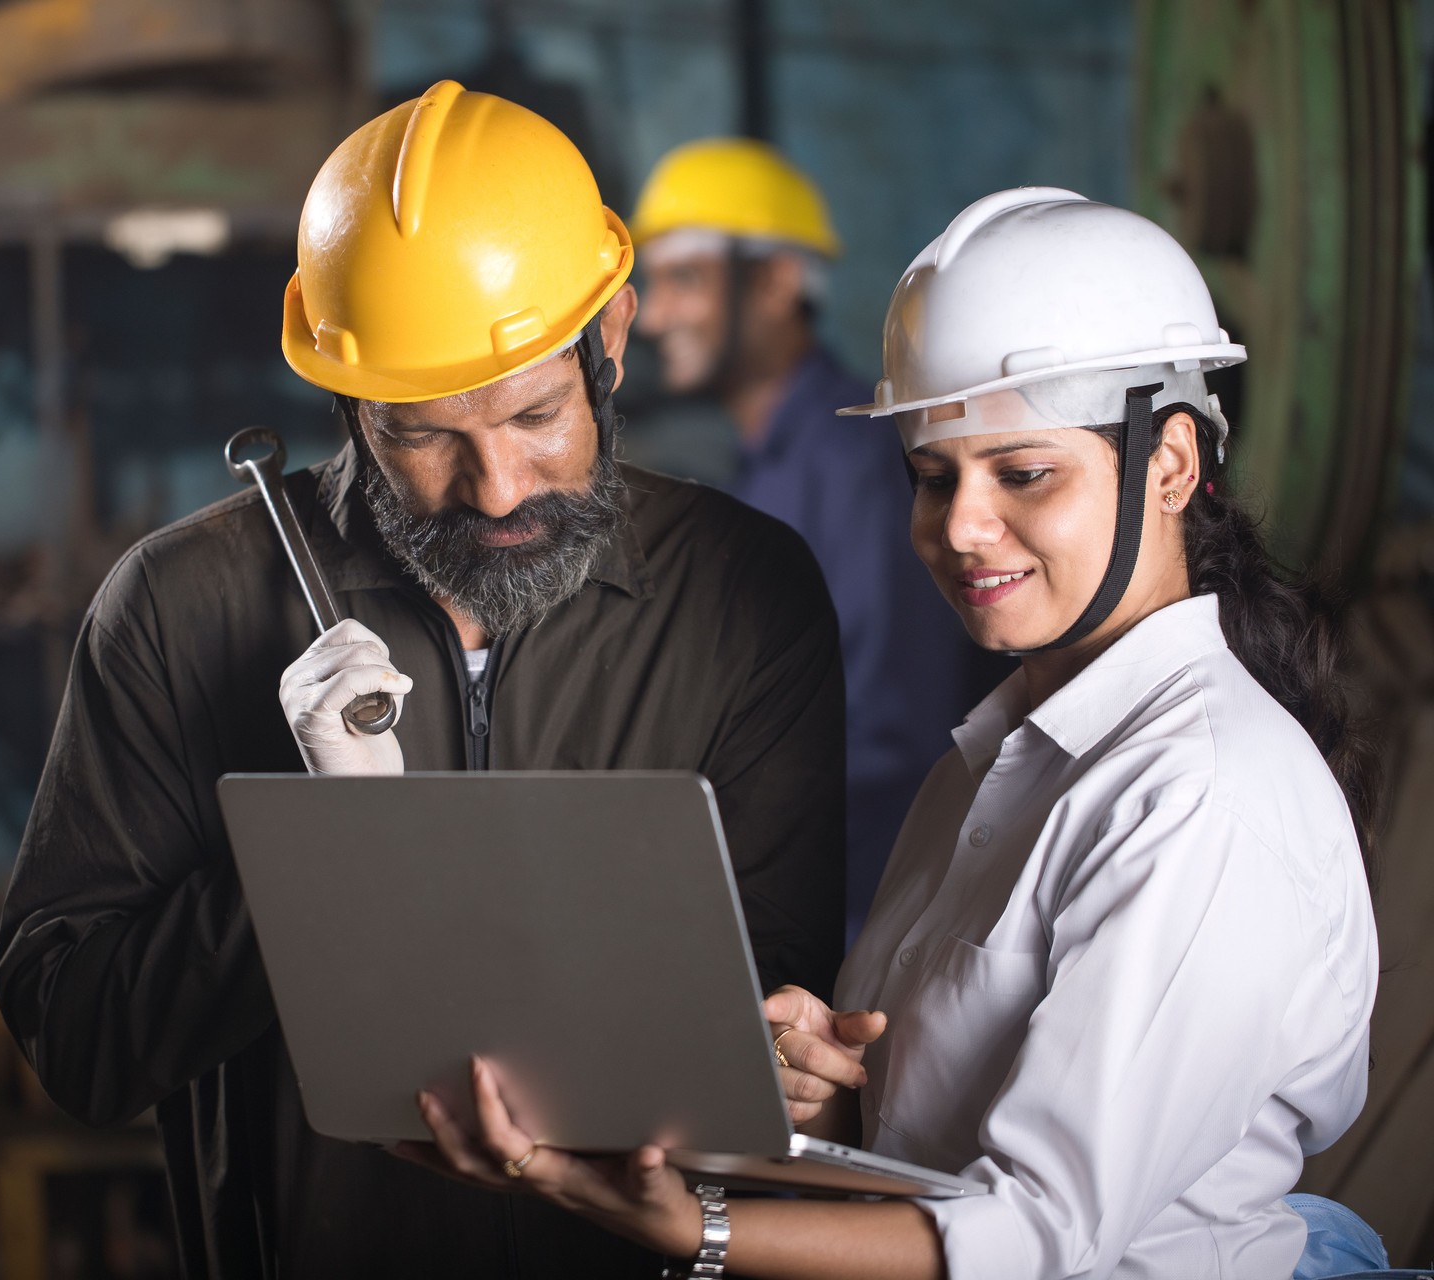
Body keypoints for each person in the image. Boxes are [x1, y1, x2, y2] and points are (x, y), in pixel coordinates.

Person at [406, 188, 1385, 1280]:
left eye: (1024, 473)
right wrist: (844, 1089)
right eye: (932, 476)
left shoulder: (1205, 795)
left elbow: (1040, 1231)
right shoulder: (995, 763)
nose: (961, 526)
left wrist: (684, 1225)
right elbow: (953, 1138)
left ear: (1170, 464)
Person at [0, 81, 846, 1279]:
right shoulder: (181, 609)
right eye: (424, 433)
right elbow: (77, 1042)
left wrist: (795, 1061)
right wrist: (313, 852)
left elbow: (774, 1024)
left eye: (536, 414)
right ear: (345, 396)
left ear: (609, 342)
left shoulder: (744, 597)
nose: (497, 486)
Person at [629, 139, 1001, 935]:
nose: (653, 316)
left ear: (777, 282)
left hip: (859, 917)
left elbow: (897, 726)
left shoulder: (857, 464)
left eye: (682, 280)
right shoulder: (767, 468)